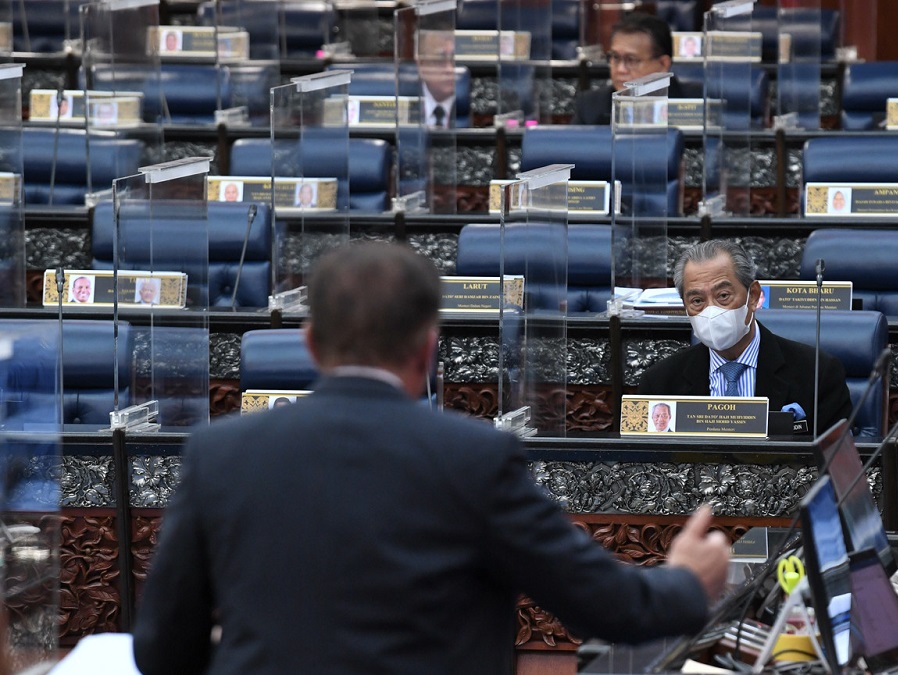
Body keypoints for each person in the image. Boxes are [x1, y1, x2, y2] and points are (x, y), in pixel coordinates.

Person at [132, 241, 730, 674]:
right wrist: (686, 581)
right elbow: (607, 608)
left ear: (310, 345)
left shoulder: (219, 453)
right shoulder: (475, 458)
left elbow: (160, 649)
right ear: (429, 347)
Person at [638, 240, 852, 435]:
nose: (711, 310)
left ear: (754, 296)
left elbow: (838, 464)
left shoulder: (817, 373)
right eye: (696, 300)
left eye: (723, 296)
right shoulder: (659, 384)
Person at [572, 14, 673, 125]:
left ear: (663, 64)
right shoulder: (590, 105)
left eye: (631, 60)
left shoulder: (691, 105)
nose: (620, 69)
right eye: (615, 57)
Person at [416, 28, 456, 128]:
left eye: (454, 60)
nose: (450, 69)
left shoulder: (472, 106)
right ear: (422, 64)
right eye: (440, 60)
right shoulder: (404, 101)